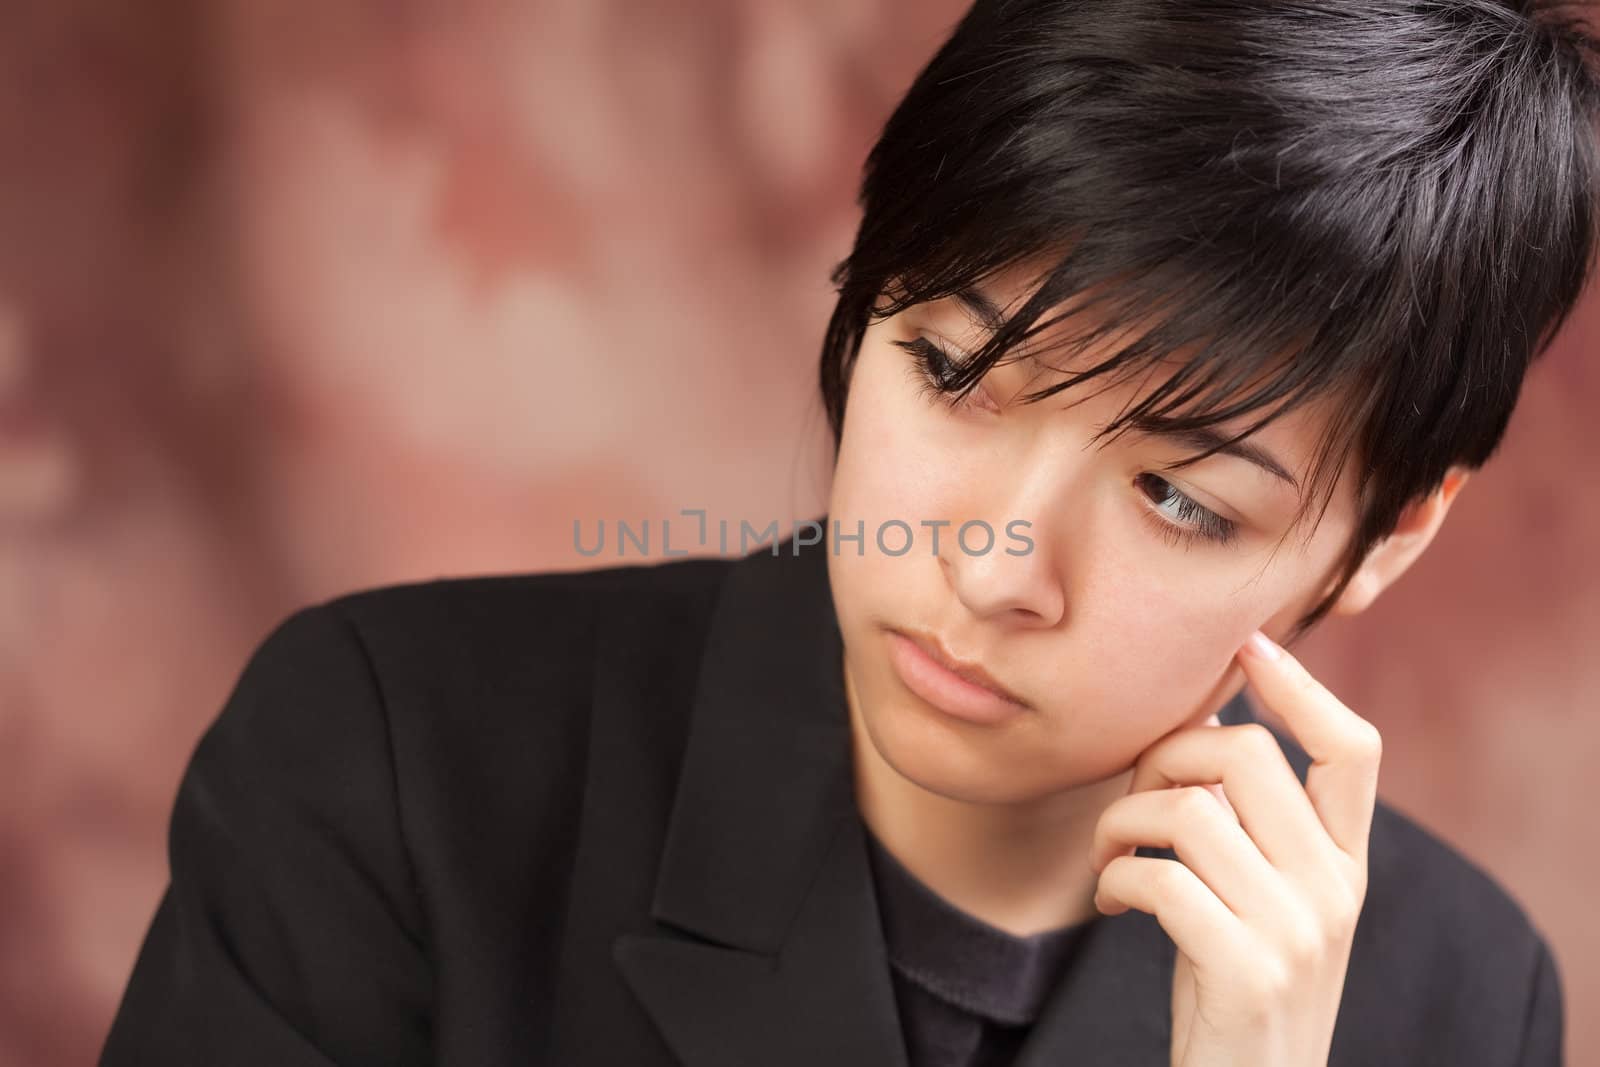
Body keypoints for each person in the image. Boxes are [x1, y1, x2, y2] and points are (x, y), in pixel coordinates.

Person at [101, 0, 1596, 1064]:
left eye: (1179, 498)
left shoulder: (1460, 995)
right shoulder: (390, 765)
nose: (995, 569)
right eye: (950, 372)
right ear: (862, 286)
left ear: (1390, 537)